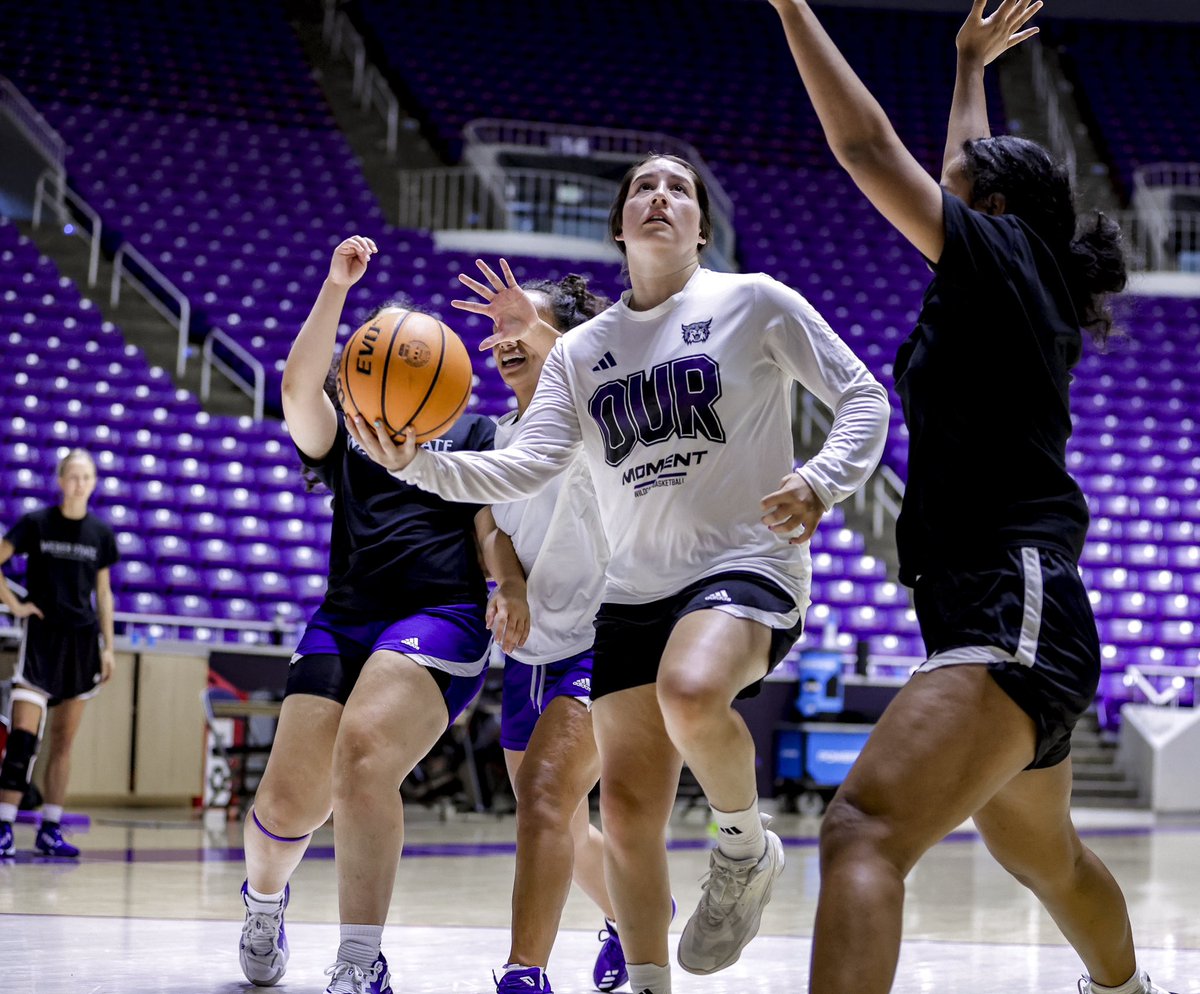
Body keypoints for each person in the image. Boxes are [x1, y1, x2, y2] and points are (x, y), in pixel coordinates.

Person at [347, 155, 890, 994]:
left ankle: (744, 847)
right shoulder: (584, 354)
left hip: (747, 561)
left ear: (701, 227)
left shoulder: (753, 301)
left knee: (691, 688)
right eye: (644, 186)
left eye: (680, 188)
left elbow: (865, 398)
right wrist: (416, 464)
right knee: (630, 818)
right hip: (633, 593)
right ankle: (646, 981)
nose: (661, 195)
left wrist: (822, 479)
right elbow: (520, 468)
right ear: (620, 225)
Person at [767, 2, 1173, 992]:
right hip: (1006, 606)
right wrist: (964, 67)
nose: (942, 183)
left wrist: (791, 7)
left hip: (1010, 599)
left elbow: (864, 145)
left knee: (863, 828)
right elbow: (967, 159)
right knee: (1045, 855)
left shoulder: (1001, 257)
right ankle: (1124, 987)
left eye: (959, 182)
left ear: (988, 206)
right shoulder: (1009, 268)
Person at [237, 235, 496, 994]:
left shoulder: (477, 436)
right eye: (377, 356)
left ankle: (360, 960)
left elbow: (490, 527)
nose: (392, 367)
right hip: (346, 615)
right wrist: (335, 288)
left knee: (363, 755)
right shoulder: (344, 438)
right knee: (286, 805)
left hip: (441, 613)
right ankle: (262, 902)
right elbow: (294, 394)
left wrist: (505, 591)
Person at [475, 273, 634, 993]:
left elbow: (596, 353)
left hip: (609, 639)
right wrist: (504, 579)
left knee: (543, 796)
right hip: (530, 654)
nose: (506, 339)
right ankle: (638, 917)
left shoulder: (598, 414)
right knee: (561, 821)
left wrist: (547, 333)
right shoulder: (502, 436)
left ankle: (524, 974)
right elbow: (485, 520)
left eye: (522, 326)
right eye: (499, 329)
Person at [0, 448, 118, 859]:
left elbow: (103, 593)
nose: (79, 483)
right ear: (60, 480)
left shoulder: (101, 534)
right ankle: (4, 827)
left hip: (82, 643)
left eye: (87, 476)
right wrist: (15, 607)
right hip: (41, 640)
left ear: (94, 483)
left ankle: (51, 827)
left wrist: (109, 647)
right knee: (22, 740)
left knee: (63, 743)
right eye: (73, 476)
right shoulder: (36, 523)